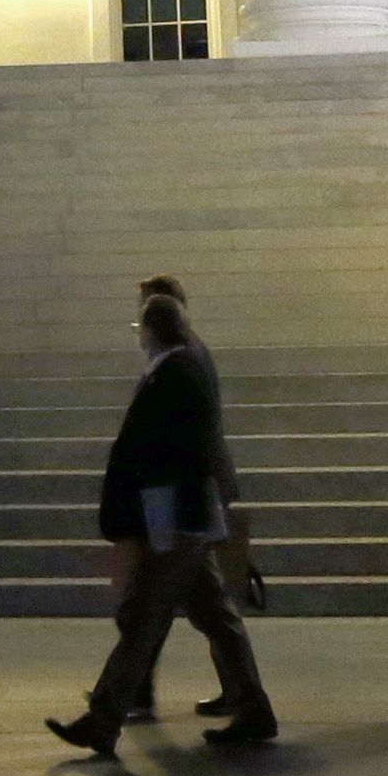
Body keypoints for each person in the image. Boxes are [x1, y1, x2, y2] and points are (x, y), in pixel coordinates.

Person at [49, 291, 278, 757]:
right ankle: (255, 709)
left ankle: (104, 717)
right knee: (215, 615)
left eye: (141, 329)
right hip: (183, 519)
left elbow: (177, 456)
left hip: (178, 522)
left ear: (152, 331)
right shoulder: (179, 371)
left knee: (146, 617)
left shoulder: (178, 374)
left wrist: (166, 523)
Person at [117, 275, 262, 725]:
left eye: (143, 313)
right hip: (191, 504)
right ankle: (245, 700)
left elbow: (193, 437)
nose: (139, 326)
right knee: (207, 609)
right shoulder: (184, 359)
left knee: (149, 610)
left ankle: (116, 706)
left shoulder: (183, 363)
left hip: (184, 507)